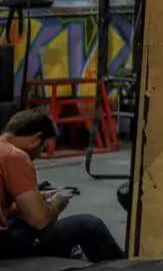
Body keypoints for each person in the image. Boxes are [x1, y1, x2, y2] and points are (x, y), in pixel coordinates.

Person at [0, 109, 124, 262]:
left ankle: (72, 253)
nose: (39, 155)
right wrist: (58, 202)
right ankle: (122, 270)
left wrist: (40, 196)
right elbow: (39, 221)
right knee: (89, 226)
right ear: (36, 139)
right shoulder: (15, 156)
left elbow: (6, 208)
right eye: (43, 147)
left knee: (41, 191)